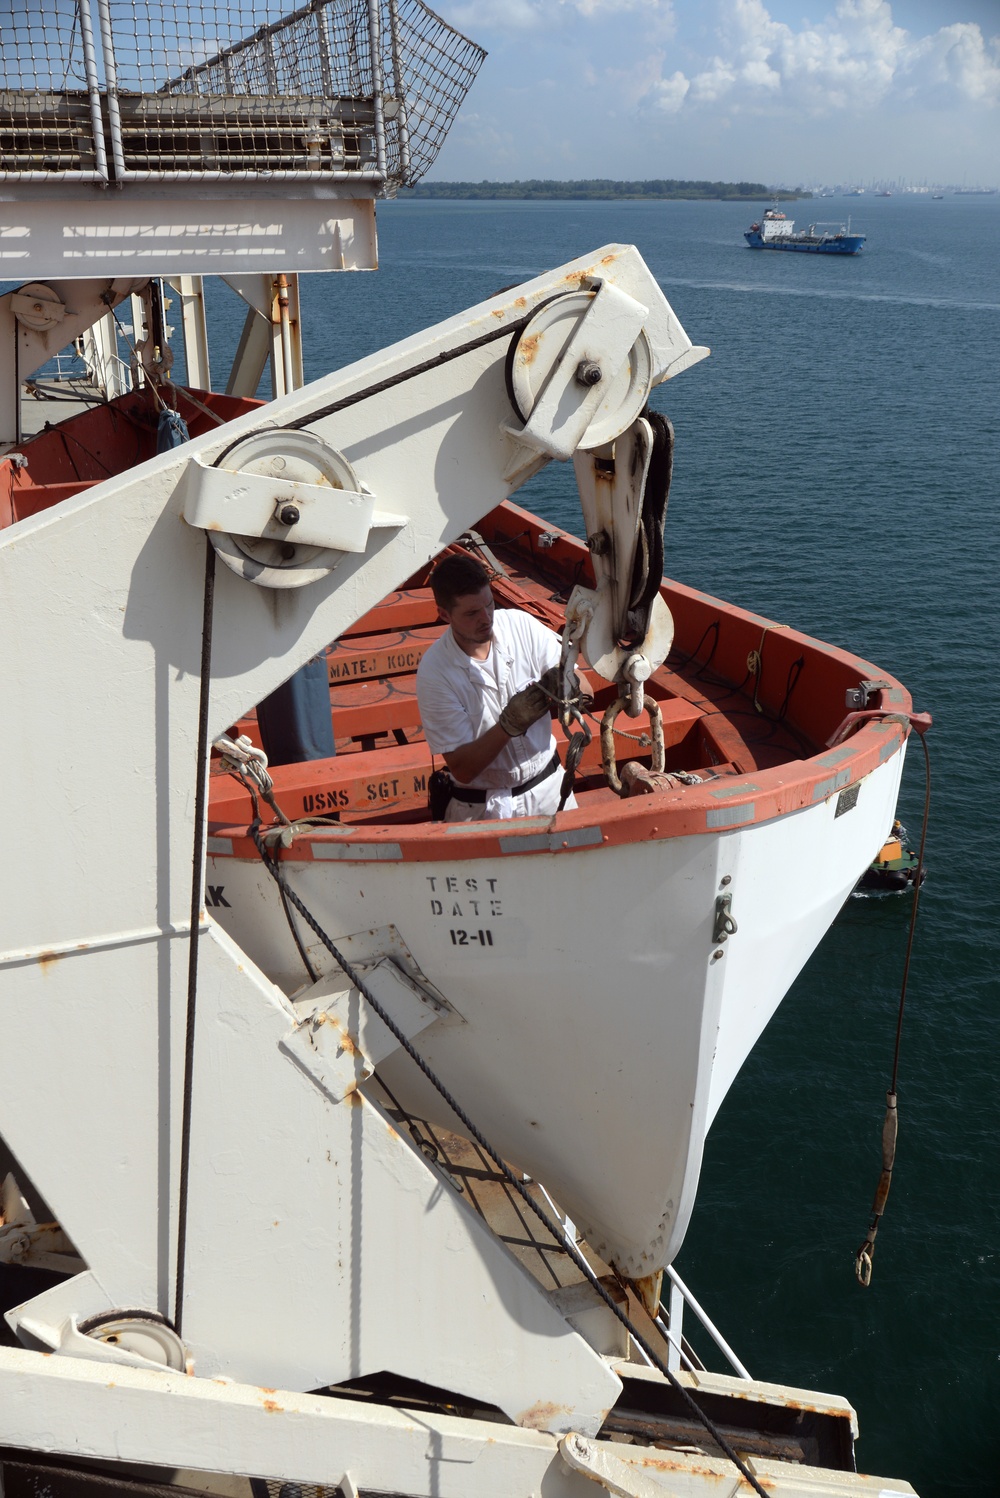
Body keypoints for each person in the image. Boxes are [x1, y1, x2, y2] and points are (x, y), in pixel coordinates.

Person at [416, 554, 578, 821]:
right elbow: (462, 770)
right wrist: (508, 727)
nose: (486, 618)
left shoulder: (521, 625)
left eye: (489, 605)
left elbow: (581, 682)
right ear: (444, 614)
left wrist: (572, 688)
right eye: (471, 613)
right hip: (482, 810)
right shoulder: (434, 672)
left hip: (551, 791)